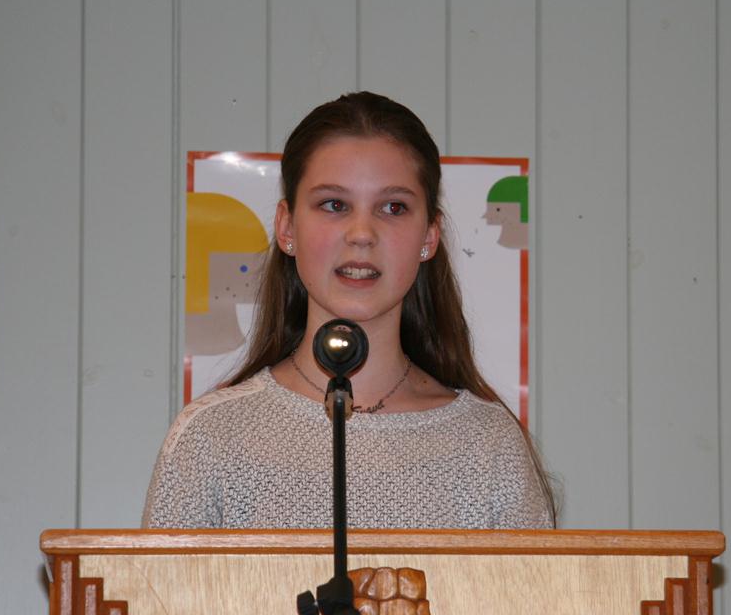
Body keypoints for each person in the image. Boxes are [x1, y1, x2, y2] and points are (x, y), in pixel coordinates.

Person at [143, 92, 557, 529]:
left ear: (429, 236)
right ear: (287, 227)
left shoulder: (490, 447)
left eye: (393, 207)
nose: (362, 234)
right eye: (334, 205)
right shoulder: (211, 438)